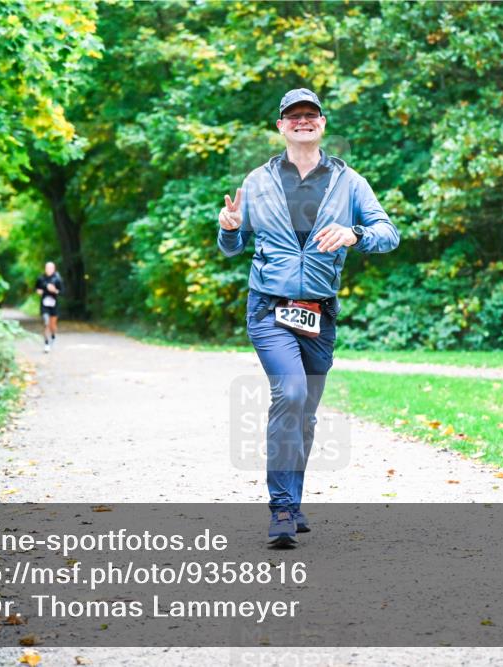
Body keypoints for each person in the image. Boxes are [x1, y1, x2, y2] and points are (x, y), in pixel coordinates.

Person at [217, 88, 399, 546]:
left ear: (322, 123)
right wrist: (229, 228)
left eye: (310, 115)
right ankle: (280, 510)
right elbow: (232, 247)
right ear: (280, 126)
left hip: (319, 313)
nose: (302, 121)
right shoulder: (257, 181)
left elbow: (388, 232)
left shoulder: (347, 180)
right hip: (268, 308)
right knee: (291, 392)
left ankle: (293, 501)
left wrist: (355, 234)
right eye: (292, 116)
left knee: (306, 414)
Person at [35, 261, 64, 353]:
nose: (49, 270)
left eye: (51, 268)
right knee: (46, 322)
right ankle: (46, 344)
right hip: (44, 304)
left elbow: (62, 292)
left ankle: (53, 336)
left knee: (52, 325)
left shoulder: (57, 279)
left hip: (54, 304)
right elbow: (37, 288)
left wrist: (55, 290)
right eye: (47, 268)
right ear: (45, 269)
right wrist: (38, 291)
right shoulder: (41, 278)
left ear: (54, 269)